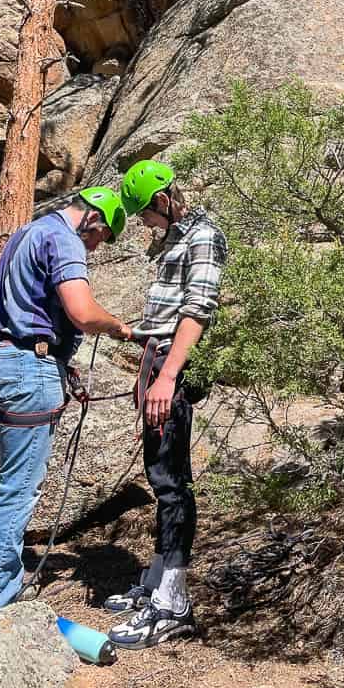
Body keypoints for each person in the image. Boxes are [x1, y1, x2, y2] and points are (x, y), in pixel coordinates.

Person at [0, 188, 134, 622]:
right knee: (18, 490)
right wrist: (116, 326)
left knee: (9, 485)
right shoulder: (63, 238)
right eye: (99, 238)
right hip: (26, 367)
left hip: (1, 363)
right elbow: (81, 311)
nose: (94, 248)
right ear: (93, 218)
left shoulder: (27, 232)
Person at [104, 159, 228, 650]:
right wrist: (137, 332)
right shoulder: (175, 239)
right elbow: (172, 308)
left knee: (172, 481)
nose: (142, 224)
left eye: (144, 214)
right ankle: (157, 579)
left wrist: (168, 378)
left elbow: (198, 310)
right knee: (162, 474)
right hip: (157, 362)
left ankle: (174, 600)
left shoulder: (203, 237)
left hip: (171, 371)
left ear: (162, 200)